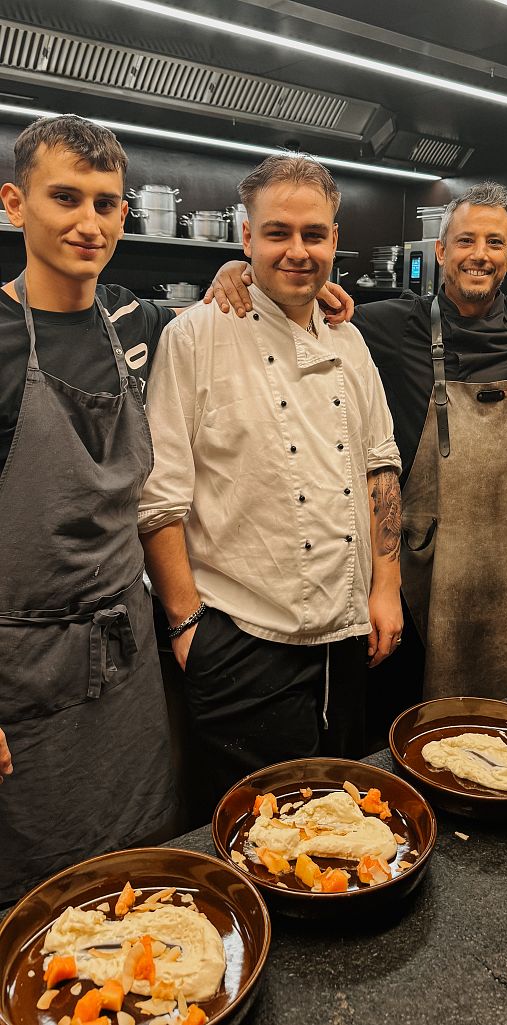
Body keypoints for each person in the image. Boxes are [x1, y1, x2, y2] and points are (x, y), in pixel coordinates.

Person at [208, 182, 507, 704]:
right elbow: (293, 296)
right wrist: (237, 270)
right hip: (426, 561)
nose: (480, 254)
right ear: (442, 251)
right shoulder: (394, 323)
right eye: (466, 240)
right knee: (417, 705)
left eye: (494, 243)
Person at [138, 154, 402, 820]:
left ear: (335, 239)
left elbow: (380, 464)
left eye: (313, 234)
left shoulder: (349, 339)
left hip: (346, 636)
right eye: (278, 232)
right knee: (252, 835)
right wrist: (187, 625)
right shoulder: (193, 335)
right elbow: (159, 497)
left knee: (339, 820)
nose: (297, 250)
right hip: (240, 638)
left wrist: (386, 587)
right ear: (247, 237)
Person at [0, 114, 180, 903]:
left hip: (127, 658)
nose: (89, 223)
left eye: (106, 203)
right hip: (22, 670)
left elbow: (231, 315)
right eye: (65, 197)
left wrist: (243, 279)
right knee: (39, 894)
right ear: (15, 202)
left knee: (138, 864)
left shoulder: (132, 320)